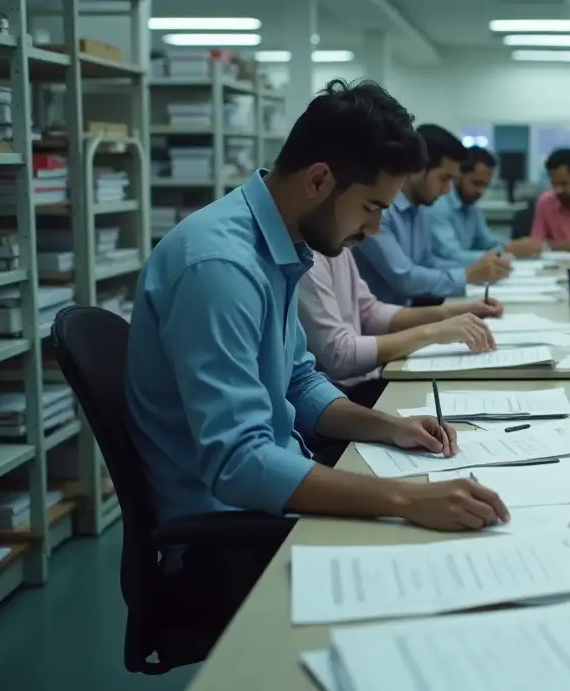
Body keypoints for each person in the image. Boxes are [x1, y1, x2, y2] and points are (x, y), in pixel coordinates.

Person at [127, 80, 510, 617]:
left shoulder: (278, 243)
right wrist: (406, 500)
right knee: (459, 592)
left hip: (272, 500)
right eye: (372, 207)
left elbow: (299, 381)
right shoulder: (221, 267)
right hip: (232, 539)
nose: (376, 228)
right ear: (319, 180)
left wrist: (388, 425)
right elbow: (237, 463)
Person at [297, 245, 505, 409]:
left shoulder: (336, 243)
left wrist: (452, 313)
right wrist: (434, 331)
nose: (374, 228)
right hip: (337, 395)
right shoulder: (309, 259)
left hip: (364, 380)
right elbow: (340, 356)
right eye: (370, 208)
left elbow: (368, 312)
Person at [352, 123, 510, 305]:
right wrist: (467, 274)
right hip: (380, 325)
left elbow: (428, 261)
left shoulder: (419, 208)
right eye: (444, 178)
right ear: (418, 169)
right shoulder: (380, 212)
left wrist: (478, 269)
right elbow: (405, 279)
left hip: (408, 314)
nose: (447, 189)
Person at [431, 142, 543, 264]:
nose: (481, 191)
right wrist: (505, 250)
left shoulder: (470, 205)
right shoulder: (438, 205)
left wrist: (515, 246)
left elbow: (486, 242)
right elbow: (452, 256)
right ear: (458, 175)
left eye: (485, 185)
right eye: (476, 183)